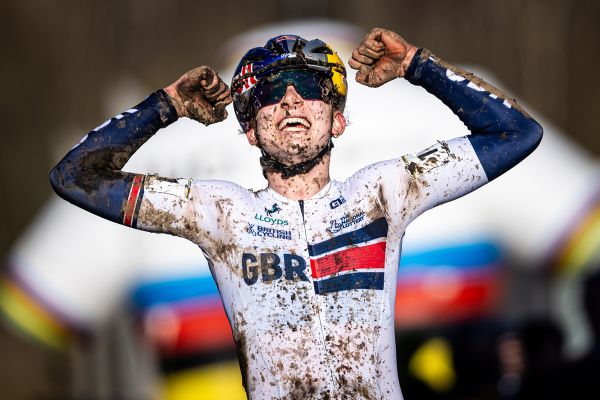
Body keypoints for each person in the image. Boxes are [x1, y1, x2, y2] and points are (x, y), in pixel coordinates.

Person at [49, 27, 542, 399]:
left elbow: (516, 134)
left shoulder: (383, 191)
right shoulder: (219, 211)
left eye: (309, 88)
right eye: (269, 93)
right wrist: (168, 104)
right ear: (250, 130)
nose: (289, 99)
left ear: (338, 120)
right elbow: (76, 177)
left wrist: (416, 65)